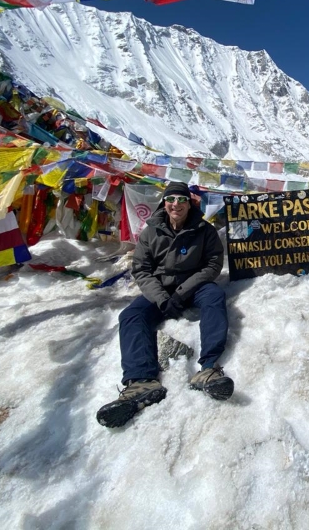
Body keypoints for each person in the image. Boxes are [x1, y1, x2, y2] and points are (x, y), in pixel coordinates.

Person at [97, 182, 233, 428]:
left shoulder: (204, 230)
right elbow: (141, 268)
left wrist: (181, 293)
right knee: (131, 315)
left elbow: (212, 265)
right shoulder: (151, 232)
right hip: (159, 289)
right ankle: (141, 381)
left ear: (188, 203)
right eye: (171, 199)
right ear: (164, 203)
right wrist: (161, 297)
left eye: (181, 200)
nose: (176, 204)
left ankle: (209, 368)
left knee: (214, 297)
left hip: (195, 287)